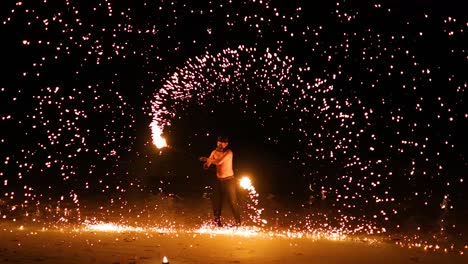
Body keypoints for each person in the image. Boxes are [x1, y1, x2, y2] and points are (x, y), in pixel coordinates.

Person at [199, 135, 241, 227]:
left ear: (226, 144)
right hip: (218, 180)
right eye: (219, 142)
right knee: (217, 201)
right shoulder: (214, 152)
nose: (220, 143)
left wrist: (206, 159)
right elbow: (208, 164)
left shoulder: (229, 153)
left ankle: (238, 223)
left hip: (229, 181)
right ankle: (217, 222)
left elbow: (219, 162)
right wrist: (206, 165)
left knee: (232, 201)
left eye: (222, 142)